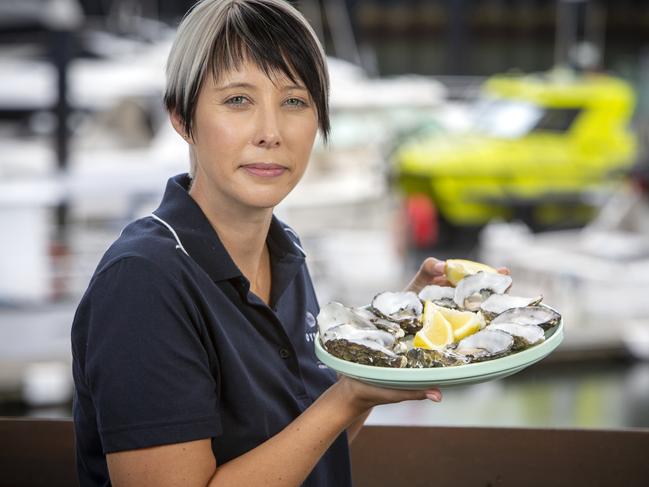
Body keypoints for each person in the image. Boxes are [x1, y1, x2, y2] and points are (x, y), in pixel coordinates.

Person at [71, 1, 449, 486]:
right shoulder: (144, 280)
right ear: (182, 117)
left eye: (294, 101)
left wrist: (388, 345)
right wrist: (345, 398)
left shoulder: (284, 251)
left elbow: (308, 446)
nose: (271, 133)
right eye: (237, 100)